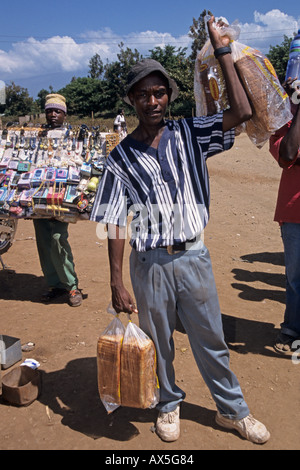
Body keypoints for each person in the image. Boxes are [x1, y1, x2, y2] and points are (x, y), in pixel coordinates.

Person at [91, 16, 270, 444]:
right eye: (142, 94)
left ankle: (233, 411)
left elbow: (243, 112)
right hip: (149, 263)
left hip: (193, 257)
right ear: (132, 101)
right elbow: (116, 220)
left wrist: (222, 47)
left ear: (169, 96)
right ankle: (168, 404)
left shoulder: (191, 132)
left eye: (159, 92)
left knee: (211, 339)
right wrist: (117, 281)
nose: (152, 100)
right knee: (159, 343)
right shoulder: (119, 158)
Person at [33, 94, 83, 307]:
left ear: (64, 113)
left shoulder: (73, 135)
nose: (52, 115)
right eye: (49, 111)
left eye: (57, 111)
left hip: (62, 197)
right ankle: (55, 284)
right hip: (39, 195)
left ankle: (71, 286)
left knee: (57, 238)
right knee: (44, 241)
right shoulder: (38, 134)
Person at [269, 77, 300, 352]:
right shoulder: (283, 117)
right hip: (294, 213)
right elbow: (288, 154)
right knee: (295, 278)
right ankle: (292, 330)